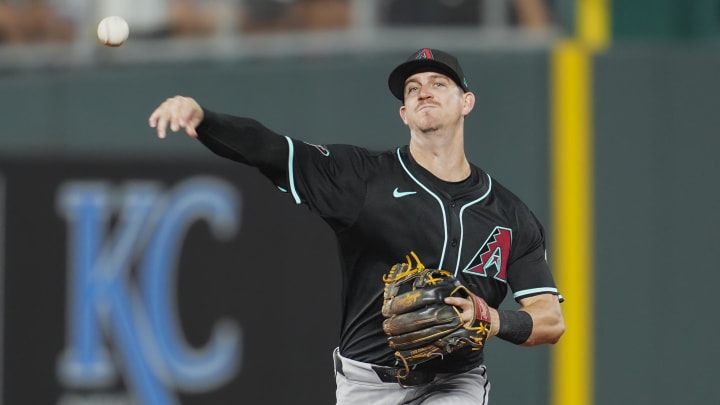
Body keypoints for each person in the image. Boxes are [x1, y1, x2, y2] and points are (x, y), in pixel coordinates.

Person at [149, 48, 565, 404]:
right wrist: (204, 119)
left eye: (438, 83)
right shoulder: (362, 178)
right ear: (404, 113)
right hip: (368, 384)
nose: (424, 90)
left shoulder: (510, 215)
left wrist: (492, 317)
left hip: (457, 382)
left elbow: (550, 321)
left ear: (466, 102)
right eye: (412, 88)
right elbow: (272, 150)